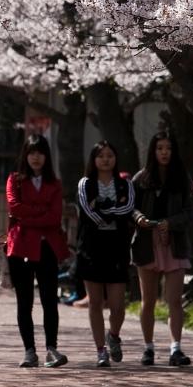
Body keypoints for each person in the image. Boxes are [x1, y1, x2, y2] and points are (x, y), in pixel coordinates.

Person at [5, 134, 70, 369]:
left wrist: (28, 213)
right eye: (32, 152)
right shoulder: (15, 180)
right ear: (25, 154)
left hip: (47, 247)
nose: (35, 157)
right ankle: (29, 350)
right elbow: (14, 208)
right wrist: (40, 212)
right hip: (20, 246)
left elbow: (54, 217)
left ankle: (51, 348)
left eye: (40, 152)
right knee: (25, 302)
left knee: (49, 300)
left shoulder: (55, 183)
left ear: (46, 156)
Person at [131, 131, 193, 367]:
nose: (164, 152)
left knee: (174, 300)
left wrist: (172, 222)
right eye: (160, 148)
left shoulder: (181, 179)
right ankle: (148, 348)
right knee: (148, 300)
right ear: (153, 151)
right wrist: (140, 219)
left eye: (168, 148)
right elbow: (130, 208)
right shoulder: (141, 179)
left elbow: (190, 213)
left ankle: (175, 348)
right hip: (147, 244)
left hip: (174, 244)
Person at [75, 141, 135, 368]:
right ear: (93, 159)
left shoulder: (125, 184)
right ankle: (101, 350)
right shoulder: (85, 184)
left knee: (118, 304)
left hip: (117, 248)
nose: (106, 159)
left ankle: (114, 335)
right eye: (101, 156)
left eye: (110, 155)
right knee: (95, 302)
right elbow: (88, 211)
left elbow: (127, 208)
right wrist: (108, 214)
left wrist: (106, 212)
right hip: (92, 248)